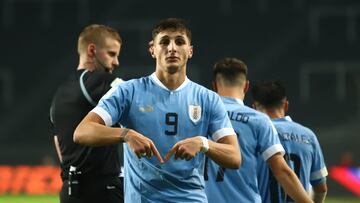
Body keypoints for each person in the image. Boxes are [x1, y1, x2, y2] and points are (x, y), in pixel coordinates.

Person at [74, 18, 241, 202]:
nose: (172, 48)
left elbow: (234, 157)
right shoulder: (128, 91)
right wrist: (126, 134)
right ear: (152, 49)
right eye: (164, 42)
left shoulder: (208, 99)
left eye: (179, 41)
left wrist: (203, 143)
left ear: (190, 51)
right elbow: (82, 132)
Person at [205, 57, 313, 203]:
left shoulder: (200, 117)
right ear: (246, 86)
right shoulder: (258, 120)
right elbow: (281, 171)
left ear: (214, 86)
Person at [49, 24, 124, 203]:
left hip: (69, 191)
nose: (116, 62)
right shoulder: (97, 80)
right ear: (92, 50)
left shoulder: (59, 95)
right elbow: (139, 96)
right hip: (103, 190)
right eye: (111, 54)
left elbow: (58, 143)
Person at [252, 80, 328, 203]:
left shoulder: (253, 135)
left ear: (254, 108)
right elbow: (321, 188)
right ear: (286, 105)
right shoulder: (308, 136)